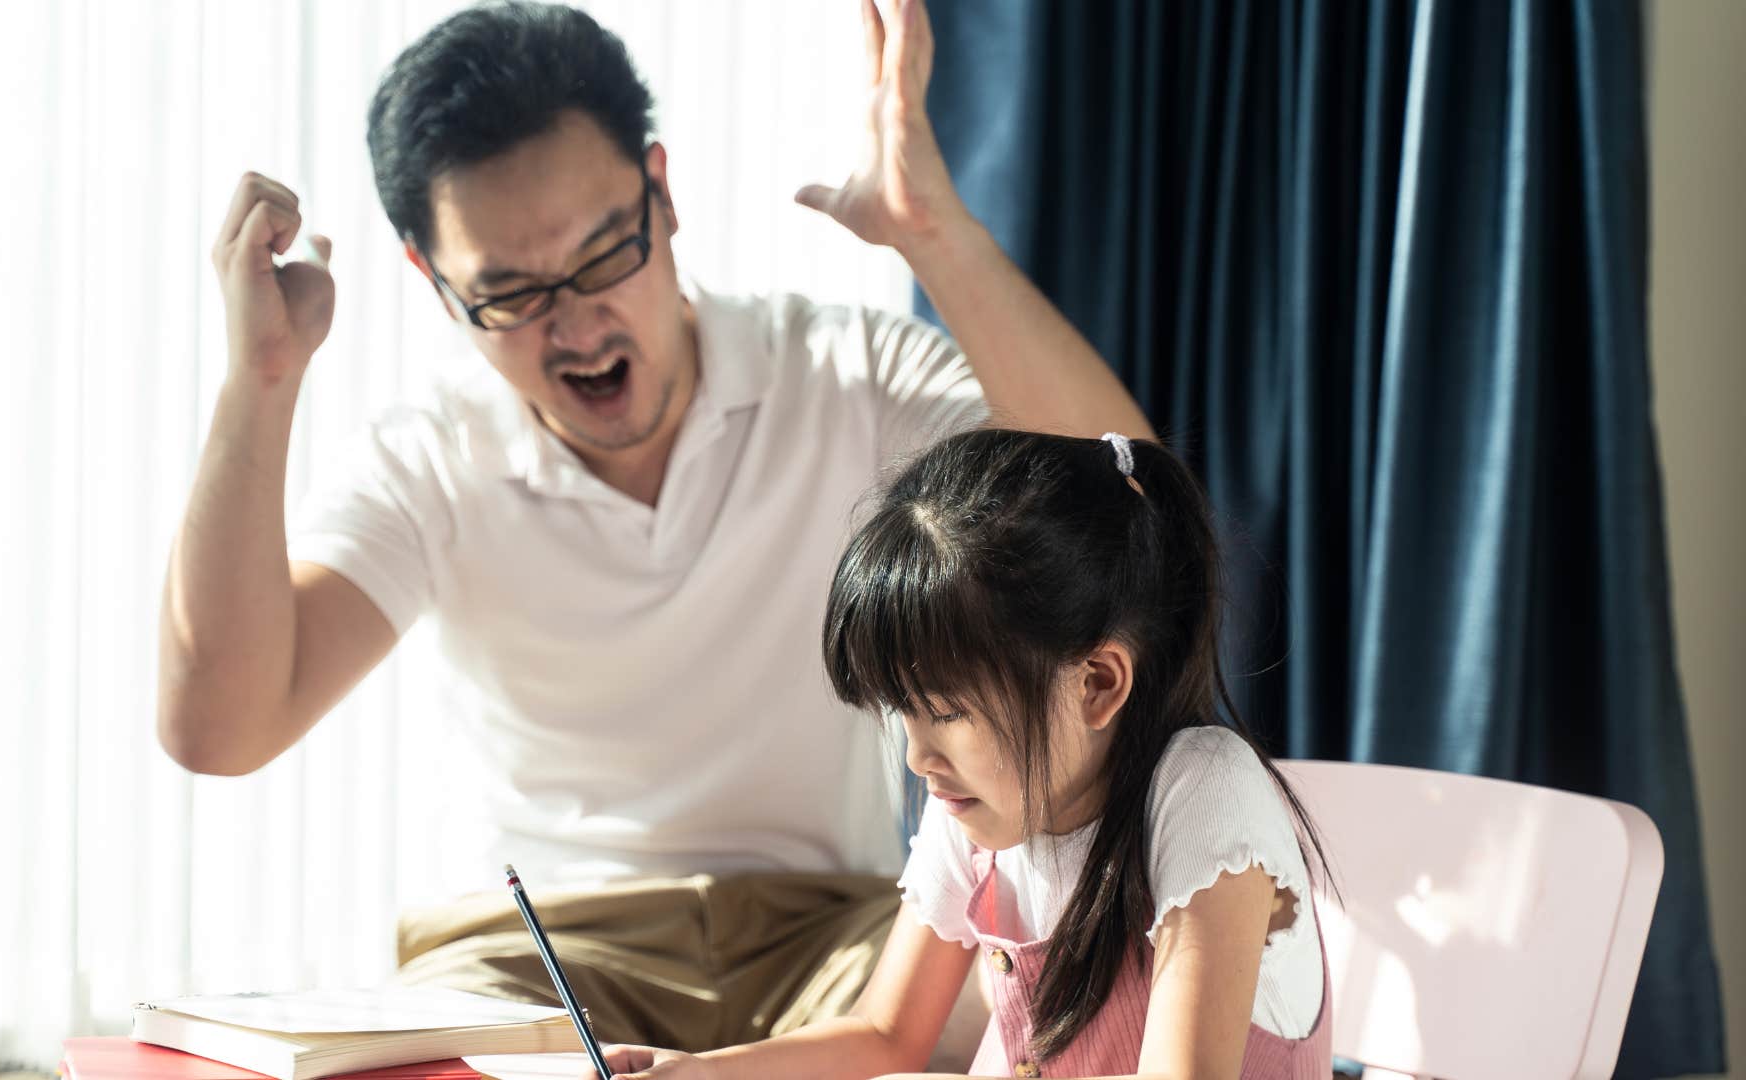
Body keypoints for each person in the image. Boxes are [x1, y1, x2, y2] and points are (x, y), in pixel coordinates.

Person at [156, 0, 1151, 1053]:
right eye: (511, 294)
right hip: (540, 947)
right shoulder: (429, 457)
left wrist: (931, 233)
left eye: (603, 255)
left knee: (1058, 1011)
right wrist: (262, 377)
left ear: (662, 195)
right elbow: (219, 727)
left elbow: (1133, 513)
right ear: (434, 284)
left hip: (834, 932)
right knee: (457, 1060)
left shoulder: (848, 376)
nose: (578, 327)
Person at [596, 430, 1335, 1079]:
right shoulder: (980, 803)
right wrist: (704, 1070)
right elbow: (884, 1036)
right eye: (901, 712)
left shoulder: (1204, 787)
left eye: (946, 712)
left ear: (1097, 683)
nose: (919, 757)